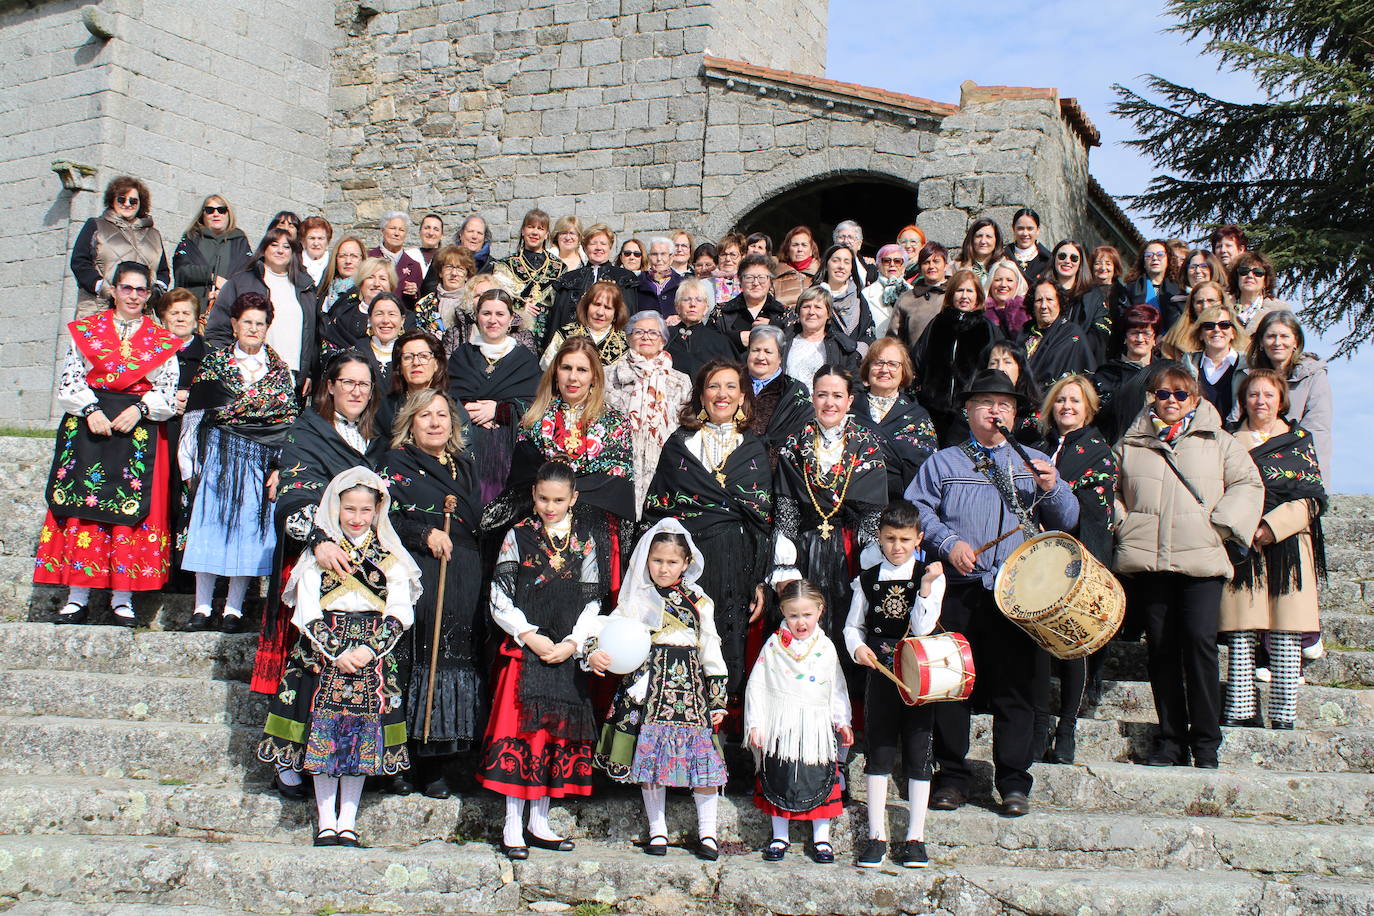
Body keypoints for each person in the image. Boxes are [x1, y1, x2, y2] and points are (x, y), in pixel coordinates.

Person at [904, 368, 1079, 816]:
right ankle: (953, 776)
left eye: (1003, 404)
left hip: (1017, 594)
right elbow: (915, 509)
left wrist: (1052, 486)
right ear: (968, 410)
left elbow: (1068, 519)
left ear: (1016, 413)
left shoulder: (1034, 461)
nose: (994, 410)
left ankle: (1014, 781)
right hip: (958, 590)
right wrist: (947, 543)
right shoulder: (943, 462)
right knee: (951, 682)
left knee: (1016, 687)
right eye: (984, 402)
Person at [256, 467, 421, 848]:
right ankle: (325, 820)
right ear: (336, 507)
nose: (357, 518)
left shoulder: (392, 558)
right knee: (323, 735)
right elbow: (307, 610)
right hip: (322, 652)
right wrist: (337, 651)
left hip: (372, 654)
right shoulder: (318, 557)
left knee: (359, 740)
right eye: (350, 509)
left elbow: (400, 611)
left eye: (366, 510)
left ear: (379, 510)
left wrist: (367, 649)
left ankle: (347, 820)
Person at [1114, 365, 1263, 769]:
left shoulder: (1221, 442)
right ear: (1152, 398)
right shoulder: (1131, 443)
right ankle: (1171, 739)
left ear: (1194, 399)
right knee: (1161, 649)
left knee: (1199, 645)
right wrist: (1126, 523)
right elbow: (1111, 490)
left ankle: (1206, 741)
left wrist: (1220, 525)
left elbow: (1248, 484)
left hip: (1201, 559)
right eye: (1164, 394)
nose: (1172, 402)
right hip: (1151, 561)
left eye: (1180, 395)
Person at [36, 262, 181, 625]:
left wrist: (142, 408)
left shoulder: (160, 339)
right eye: (127, 288)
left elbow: (167, 387)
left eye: (141, 290)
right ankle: (77, 595)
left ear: (149, 295)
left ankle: (123, 598)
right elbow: (70, 377)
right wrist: (90, 409)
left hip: (138, 430)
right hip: (91, 426)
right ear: (113, 290)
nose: (134, 296)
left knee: (131, 512)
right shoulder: (87, 332)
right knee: (85, 505)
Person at [478, 461, 606, 859]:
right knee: (521, 738)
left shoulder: (585, 539)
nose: (550, 507)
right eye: (543, 499)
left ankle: (540, 822)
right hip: (525, 651)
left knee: (552, 739)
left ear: (574, 499)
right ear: (533, 495)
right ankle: (512, 826)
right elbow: (500, 593)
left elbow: (593, 599)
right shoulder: (518, 535)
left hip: (564, 653)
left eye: (558, 500)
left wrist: (572, 643)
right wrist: (529, 635)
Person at [591, 520, 729, 861]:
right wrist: (595, 650)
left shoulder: (700, 600)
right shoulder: (636, 599)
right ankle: (657, 831)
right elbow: (612, 630)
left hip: (689, 690)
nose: (663, 568)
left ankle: (708, 833)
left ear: (686, 563)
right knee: (651, 761)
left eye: (671, 562)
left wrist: (718, 695)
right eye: (657, 561)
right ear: (646, 560)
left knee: (703, 761)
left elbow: (710, 646)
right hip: (648, 685)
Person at [642, 359, 774, 710]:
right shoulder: (679, 444)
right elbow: (658, 507)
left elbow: (762, 520)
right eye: (714, 386)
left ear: (742, 395)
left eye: (731, 386)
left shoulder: (753, 447)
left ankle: (721, 737)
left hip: (735, 562)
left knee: (725, 649)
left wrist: (760, 580)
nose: (722, 394)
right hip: (686, 562)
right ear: (700, 394)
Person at [256, 354, 389, 702]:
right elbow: (293, 498)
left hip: (370, 563)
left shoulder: (376, 438)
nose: (356, 392)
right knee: (314, 674)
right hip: (322, 557)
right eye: (348, 383)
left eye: (364, 384)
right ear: (330, 386)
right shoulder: (308, 432)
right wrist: (319, 541)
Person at [379, 389, 486, 797]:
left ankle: (437, 762)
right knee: (418, 658)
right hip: (420, 572)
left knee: (452, 663)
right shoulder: (396, 464)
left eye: (443, 415)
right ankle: (400, 760)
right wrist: (423, 532)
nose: (436, 422)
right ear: (411, 421)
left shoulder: (464, 466)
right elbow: (383, 518)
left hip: (464, 573)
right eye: (426, 415)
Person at [179, 292, 299, 632]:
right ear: (234, 324)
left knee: (249, 528)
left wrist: (279, 466)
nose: (253, 328)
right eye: (247, 321)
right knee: (210, 525)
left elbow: (287, 422)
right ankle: (202, 606)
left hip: (259, 460)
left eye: (260, 323)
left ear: (267, 328)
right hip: (217, 453)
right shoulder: (215, 364)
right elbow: (195, 415)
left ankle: (234, 608)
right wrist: (189, 465)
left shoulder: (279, 371)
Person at [1220, 369, 1326, 731]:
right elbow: (1220, 490)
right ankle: (1240, 708)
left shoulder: (1299, 440)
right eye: (1253, 395)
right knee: (1242, 630)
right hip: (1241, 543)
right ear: (1243, 400)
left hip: (1289, 546)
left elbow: (1313, 498)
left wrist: (1272, 526)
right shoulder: (1228, 441)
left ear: (1281, 399)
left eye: (1268, 394)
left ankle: (1283, 713)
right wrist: (1244, 526)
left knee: (1286, 630)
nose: (1260, 401)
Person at [844, 501, 945, 869]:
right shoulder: (867, 578)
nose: (897, 547)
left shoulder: (929, 577)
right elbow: (853, 625)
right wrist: (857, 648)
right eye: (889, 539)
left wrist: (924, 588)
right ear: (880, 538)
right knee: (880, 748)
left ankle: (916, 837)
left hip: (917, 675)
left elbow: (922, 628)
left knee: (919, 750)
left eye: (905, 539)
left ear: (918, 538)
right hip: (880, 674)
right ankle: (876, 836)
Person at [501, 338, 635, 594]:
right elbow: (521, 480)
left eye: (582, 370)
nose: (573, 378)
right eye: (566, 368)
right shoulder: (533, 419)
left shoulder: (616, 424)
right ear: (555, 373)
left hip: (594, 533)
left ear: (594, 377)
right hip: (540, 528)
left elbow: (616, 487)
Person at [774, 366, 888, 662]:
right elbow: (786, 502)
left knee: (844, 614)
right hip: (805, 544)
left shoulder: (866, 442)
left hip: (847, 550)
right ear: (813, 397)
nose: (829, 403)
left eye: (837, 396)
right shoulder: (796, 441)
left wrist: (871, 553)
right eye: (822, 395)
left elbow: (872, 509)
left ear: (850, 400)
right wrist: (785, 561)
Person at [1031, 375, 1117, 762]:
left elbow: (1098, 508)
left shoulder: (1098, 450)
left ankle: (1067, 728)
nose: (1067, 406)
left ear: (1089, 408)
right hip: (1037, 558)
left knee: (1072, 646)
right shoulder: (1037, 447)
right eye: (1061, 400)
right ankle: (1036, 728)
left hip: (1078, 557)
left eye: (1075, 401)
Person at [747, 579, 853, 865]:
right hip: (781, 726)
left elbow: (836, 686)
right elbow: (757, 684)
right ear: (783, 612)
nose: (800, 621)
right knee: (780, 779)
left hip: (815, 729)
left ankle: (822, 839)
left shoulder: (826, 647)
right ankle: (779, 836)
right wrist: (756, 723)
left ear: (820, 610)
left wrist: (842, 720)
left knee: (818, 779)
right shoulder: (773, 646)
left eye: (807, 614)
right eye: (793, 615)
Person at [448, 289, 542, 504]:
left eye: (500, 314)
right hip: (467, 447)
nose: (493, 320)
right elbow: (449, 398)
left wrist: (499, 411)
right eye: (486, 313)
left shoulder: (525, 360)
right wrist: (467, 410)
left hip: (507, 453)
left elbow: (534, 404)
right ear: (477, 316)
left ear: (510, 319)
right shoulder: (462, 355)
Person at [207, 228, 318, 390]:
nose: (280, 250)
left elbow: (312, 335)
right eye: (274, 244)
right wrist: (230, 367)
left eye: (286, 246)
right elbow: (217, 330)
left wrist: (308, 373)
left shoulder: (305, 287)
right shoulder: (241, 282)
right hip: (248, 373)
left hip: (291, 376)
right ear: (264, 248)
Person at [605, 310, 692, 513]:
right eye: (639, 332)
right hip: (618, 466)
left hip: (665, 468)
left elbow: (686, 428)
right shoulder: (608, 375)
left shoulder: (680, 380)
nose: (646, 336)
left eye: (653, 332)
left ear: (663, 340)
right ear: (628, 338)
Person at [912, 268, 1002, 445]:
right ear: (952, 294)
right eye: (960, 290)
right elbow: (918, 358)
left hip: (968, 409)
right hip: (934, 408)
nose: (964, 296)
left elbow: (995, 368)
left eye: (970, 291)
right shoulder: (938, 323)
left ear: (977, 296)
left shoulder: (986, 328)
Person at [1240, 310, 1333, 477]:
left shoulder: (1313, 375)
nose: (1277, 342)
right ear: (1261, 342)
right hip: (1252, 463)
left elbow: (1317, 428)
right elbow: (1237, 419)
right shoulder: (1248, 377)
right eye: (1271, 336)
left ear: (1296, 341)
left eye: (1284, 336)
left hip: (1301, 469)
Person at [852, 338, 937, 502]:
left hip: (899, 508)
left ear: (904, 371)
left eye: (892, 364)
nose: (884, 369)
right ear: (867, 368)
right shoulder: (849, 408)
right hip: (851, 503)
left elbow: (926, 470)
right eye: (878, 363)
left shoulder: (918, 417)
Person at [71, 177, 170, 317]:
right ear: (112, 200)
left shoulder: (153, 234)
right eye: (121, 199)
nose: (127, 204)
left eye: (133, 201)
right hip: (100, 307)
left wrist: (156, 291)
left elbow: (163, 270)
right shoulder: (96, 225)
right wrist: (101, 287)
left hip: (141, 311)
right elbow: (79, 262)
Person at [548, 223, 639, 338]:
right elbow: (558, 319)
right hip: (575, 343)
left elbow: (630, 317)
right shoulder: (569, 280)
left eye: (603, 243)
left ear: (610, 247)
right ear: (585, 248)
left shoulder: (624, 278)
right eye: (593, 243)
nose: (598, 247)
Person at [1092, 305, 1165, 445]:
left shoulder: (1165, 373)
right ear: (1125, 337)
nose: (1139, 338)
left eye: (1146, 333)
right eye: (1134, 332)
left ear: (1155, 338)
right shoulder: (1107, 374)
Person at [744, 325, 815, 465]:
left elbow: (799, 432)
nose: (760, 357)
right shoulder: (732, 382)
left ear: (780, 357)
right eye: (755, 350)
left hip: (776, 467)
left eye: (768, 352)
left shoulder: (794, 390)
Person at [172, 194, 251, 316]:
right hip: (192, 311)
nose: (216, 214)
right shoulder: (191, 238)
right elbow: (181, 270)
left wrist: (226, 290)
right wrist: (212, 278)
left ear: (228, 213)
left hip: (228, 312)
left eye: (221, 210)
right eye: (209, 210)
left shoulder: (240, 241)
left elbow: (248, 276)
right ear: (203, 214)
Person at [493, 209, 565, 342]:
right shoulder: (505, 265)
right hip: (515, 331)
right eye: (530, 227)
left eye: (540, 228)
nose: (535, 232)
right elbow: (498, 299)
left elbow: (562, 306)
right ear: (523, 231)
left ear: (546, 234)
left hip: (549, 333)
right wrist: (520, 305)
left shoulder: (560, 268)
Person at [374, 330, 452, 438]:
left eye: (424, 356)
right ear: (399, 367)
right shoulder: (386, 409)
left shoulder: (451, 405)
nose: (416, 362)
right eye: (408, 357)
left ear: (436, 365)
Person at [1019, 280, 1096, 389]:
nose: (1044, 306)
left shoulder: (1071, 333)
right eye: (1039, 300)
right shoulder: (1025, 331)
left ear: (1059, 302)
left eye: (1050, 299)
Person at [318, 257, 398, 362]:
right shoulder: (343, 315)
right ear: (361, 283)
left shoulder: (404, 317)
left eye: (383, 278)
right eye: (370, 277)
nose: (377, 283)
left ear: (390, 285)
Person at [784, 286, 860, 391]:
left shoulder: (841, 347)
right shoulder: (782, 341)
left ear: (828, 314)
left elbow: (854, 386)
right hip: (788, 405)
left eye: (818, 307)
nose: (811, 312)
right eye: (806, 307)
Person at [714, 253, 790, 356]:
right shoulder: (721, 312)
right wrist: (736, 339)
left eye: (762, 277)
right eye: (749, 277)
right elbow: (710, 343)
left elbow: (793, 344)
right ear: (740, 281)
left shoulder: (784, 313)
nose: (755, 283)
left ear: (771, 282)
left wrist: (774, 327)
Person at [541, 280, 630, 368]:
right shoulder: (564, 334)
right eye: (596, 304)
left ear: (616, 313)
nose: (600, 312)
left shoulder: (627, 343)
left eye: (607, 308)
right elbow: (546, 371)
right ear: (586, 306)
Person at [1183, 305, 1250, 421]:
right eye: (1209, 326)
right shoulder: (1187, 366)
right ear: (1200, 334)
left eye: (1224, 325)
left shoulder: (1248, 367)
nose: (1217, 330)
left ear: (1233, 332)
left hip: (1237, 434)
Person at [665, 278, 733, 379]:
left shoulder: (719, 341)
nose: (693, 304)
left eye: (699, 300)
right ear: (677, 307)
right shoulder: (665, 337)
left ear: (706, 308)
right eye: (687, 299)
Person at [888, 241, 948, 354]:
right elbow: (894, 338)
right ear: (920, 268)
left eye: (936, 261)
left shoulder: (956, 295)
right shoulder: (907, 299)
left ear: (945, 265)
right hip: (914, 366)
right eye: (926, 262)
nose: (931, 266)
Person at [982, 341, 1043, 447]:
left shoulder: (1033, 415)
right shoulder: (972, 409)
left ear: (1020, 368)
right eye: (993, 363)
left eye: (1007, 362)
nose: (1000, 368)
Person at [412, 245, 477, 341]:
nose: (454, 273)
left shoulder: (474, 302)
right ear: (440, 272)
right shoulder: (424, 304)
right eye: (449, 267)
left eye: (460, 268)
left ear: (467, 275)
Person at [816, 244, 873, 350]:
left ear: (852, 268)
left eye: (846, 262)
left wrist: (858, 353)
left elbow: (868, 336)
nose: (841, 266)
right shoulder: (813, 297)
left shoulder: (860, 300)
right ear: (826, 265)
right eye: (836, 261)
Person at [369, 211, 425, 308]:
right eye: (392, 228)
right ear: (382, 231)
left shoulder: (414, 266)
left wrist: (414, 293)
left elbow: (419, 302)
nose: (397, 233)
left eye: (401, 230)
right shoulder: (369, 258)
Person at [1160, 280, 1227, 361]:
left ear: (1222, 302)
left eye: (1211, 301)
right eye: (1199, 302)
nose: (1205, 306)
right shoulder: (1175, 336)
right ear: (1192, 305)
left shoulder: (1233, 332)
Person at [1125, 240, 1185, 329]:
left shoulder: (1180, 289)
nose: (1155, 258)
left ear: (1168, 259)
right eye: (1149, 255)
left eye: (1160, 254)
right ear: (1143, 262)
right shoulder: (1131, 289)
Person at [1229, 251, 1287, 331]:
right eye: (1244, 271)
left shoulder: (1279, 310)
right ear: (1237, 277)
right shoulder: (1224, 305)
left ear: (1266, 281)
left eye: (1258, 272)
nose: (1250, 276)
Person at [862, 244, 909, 337]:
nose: (892, 264)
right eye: (886, 261)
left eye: (897, 261)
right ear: (878, 265)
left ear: (904, 266)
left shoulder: (913, 292)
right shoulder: (866, 294)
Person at [634, 236, 683, 320]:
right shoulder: (637, 282)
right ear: (648, 257)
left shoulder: (682, 283)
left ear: (671, 257)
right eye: (654, 254)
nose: (659, 259)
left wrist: (679, 318)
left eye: (663, 254)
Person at [984, 258, 1030, 338]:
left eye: (1009, 280)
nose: (1003, 285)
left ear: (1017, 283)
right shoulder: (981, 312)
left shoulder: (1028, 312)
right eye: (998, 280)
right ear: (990, 283)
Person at [953, 218, 1001, 292]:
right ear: (971, 239)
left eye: (988, 236)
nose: (983, 241)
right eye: (979, 236)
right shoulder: (956, 267)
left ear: (996, 240)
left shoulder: (1003, 267)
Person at [320, 236, 366, 314]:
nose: (348, 261)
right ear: (335, 259)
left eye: (354, 256)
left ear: (362, 260)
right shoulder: (324, 291)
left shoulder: (366, 292)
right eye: (342, 256)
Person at [1005, 208, 1051, 281]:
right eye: (1020, 228)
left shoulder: (1048, 260)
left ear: (1038, 230)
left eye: (1030, 229)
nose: (1025, 233)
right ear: (1013, 229)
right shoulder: (1004, 256)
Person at [833, 220, 878, 285]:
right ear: (835, 242)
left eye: (850, 237)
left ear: (859, 244)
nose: (846, 241)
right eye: (841, 237)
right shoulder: (826, 263)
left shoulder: (869, 266)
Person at [709, 232, 745, 305]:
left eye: (733, 255)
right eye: (723, 254)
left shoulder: (748, 283)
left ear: (742, 257)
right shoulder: (704, 285)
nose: (728, 259)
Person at [300, 216, 334, 286]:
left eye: (320, 238)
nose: (316, 243)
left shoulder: (334, 265)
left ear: (327, 242)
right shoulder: (294, 263)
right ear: (303, 241)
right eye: (312, 238)